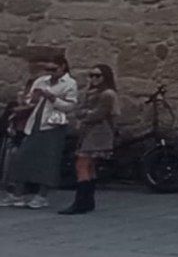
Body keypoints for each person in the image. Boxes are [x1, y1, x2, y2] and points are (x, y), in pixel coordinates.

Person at [5, 52, 76, 209]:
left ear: (62, 67)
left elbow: (70, 106)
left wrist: (52, 98)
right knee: (23, 157)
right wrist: (31, 99)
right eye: (47, 69)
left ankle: (41, 196)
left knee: (48, 160)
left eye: (53, 69)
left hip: (53, 125)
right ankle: (18, 193)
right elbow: (31, 100)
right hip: (35, 122)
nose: (50, 72)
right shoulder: (41, 81)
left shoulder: (70, 84)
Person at [61, 63, 118, 215]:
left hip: (98, 132)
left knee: (82, 163)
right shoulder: (91, 92)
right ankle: (87, 201)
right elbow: (80, 110)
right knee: (89, 166)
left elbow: (98, 114)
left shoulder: (107, 94)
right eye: (91, 75)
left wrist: (85, 114)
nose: (93, 79)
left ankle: (81, 202)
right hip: (90, 131)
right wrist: (86, 113)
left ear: (105, 77)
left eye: (97, 75)